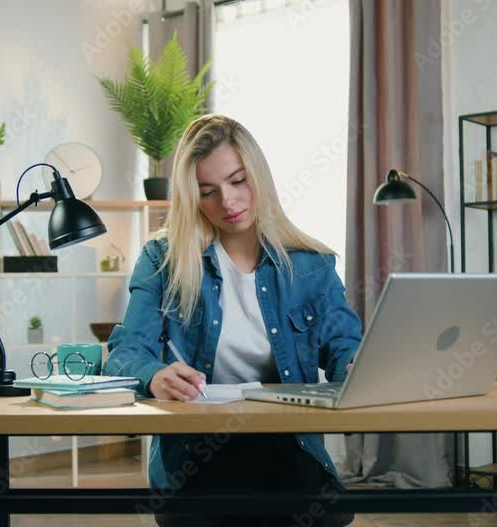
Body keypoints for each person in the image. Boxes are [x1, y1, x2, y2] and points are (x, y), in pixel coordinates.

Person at [103, 114, 362, 527]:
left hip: (287, 446)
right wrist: (154, 375)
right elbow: (124, 353)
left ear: (259, 177)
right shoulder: (162, 260)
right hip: (197, 454)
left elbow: (344, 345)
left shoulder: (312, 266)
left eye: (238, 181)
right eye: (208, 191)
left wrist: (355, 366)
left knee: (309, 507)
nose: (227, 201)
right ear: (192, 198)